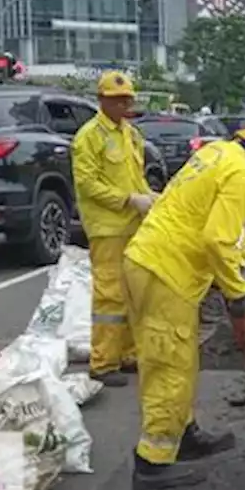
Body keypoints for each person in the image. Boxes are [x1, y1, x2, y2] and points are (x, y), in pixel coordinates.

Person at [122, 108, 245, 490]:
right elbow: (217, 239)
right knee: (169, 365)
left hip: (151, 261)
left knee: (179, 358)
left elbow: (206, 226)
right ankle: (152, 463)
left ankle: (182, 434)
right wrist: (237, 292)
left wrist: (238, 272)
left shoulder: (218, 151)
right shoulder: (242, 175)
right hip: (165, 269)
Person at [71, 70, 156, 387]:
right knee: (110, 296)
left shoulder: (131, 134)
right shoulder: (88, 137)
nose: (124, 105)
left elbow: (136, 176)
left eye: (127, 99)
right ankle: (103, 362)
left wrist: (148, 195)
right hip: (107, 228)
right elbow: (88, 184)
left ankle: (129, 354)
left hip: (134, 225)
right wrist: (128, 200)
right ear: (102, 100)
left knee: (135, 292)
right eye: (117, 100)